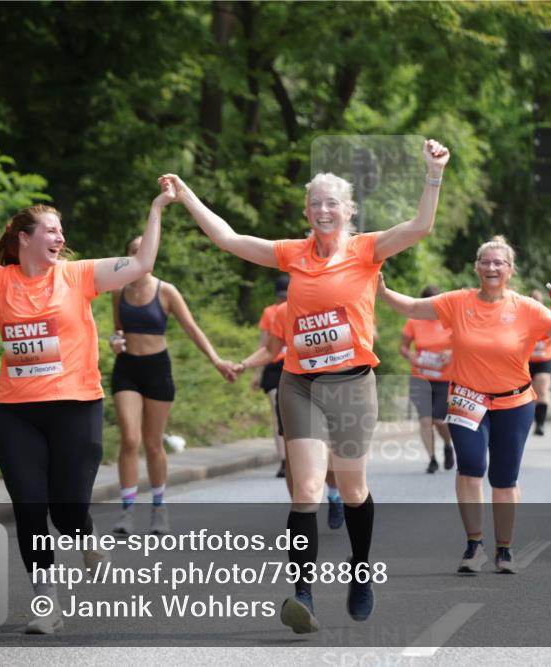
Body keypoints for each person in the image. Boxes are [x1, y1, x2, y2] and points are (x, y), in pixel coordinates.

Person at [162, 138, 451, 634]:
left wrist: (433, 172)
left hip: (353, 384)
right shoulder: (293, 254)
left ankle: (360, 572)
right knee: (308, 491)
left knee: (354, 487)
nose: (322, 210)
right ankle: (303, 593)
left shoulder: (367, 249)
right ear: (306, 211)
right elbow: (230, 239)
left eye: (332, 203)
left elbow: (421, 226)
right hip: (301, 384)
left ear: (347, 210)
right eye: (315, 203)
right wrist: (187, 196)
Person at [0, 150, 172, 635]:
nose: (60, 238)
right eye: (51, 230)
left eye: (61, 232)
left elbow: (142, 262)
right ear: (24, 239)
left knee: (68, 511)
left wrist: (156, 210)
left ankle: (85, 535)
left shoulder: (79, 275)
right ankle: (45, 601)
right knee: (29, 506)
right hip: (16, 413)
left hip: (75, 408)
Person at [378, 237, 551, 574]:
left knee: (504, 478)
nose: (492, 267)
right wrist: (381, 291)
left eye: (499, 262)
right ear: (476, 267)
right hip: (467, 398)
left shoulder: (526, 307)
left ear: (510, 271)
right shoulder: (458, 302)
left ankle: (504, 549)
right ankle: (474, 545)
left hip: (514, 402)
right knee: (470, 467)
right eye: (485, 262)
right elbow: (413, 307)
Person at [109, 236, 238, 536]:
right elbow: (117, 329)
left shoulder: (165, 291)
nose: (139, 255)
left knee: (153, 443)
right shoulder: (119, 291)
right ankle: (127, 511)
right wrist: (115, 340)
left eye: (145, 250)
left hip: (157, 370)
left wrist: (217, 360)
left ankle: (158, 508)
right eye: (133, 250)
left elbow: (191, 328)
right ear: (127, 256)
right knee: (130, 440)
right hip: (127, 370)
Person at [242, 299, 346, 530]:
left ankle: (334, 494)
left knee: (327, 452)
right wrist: (244, 364)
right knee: (293, 453)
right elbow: (270, 349)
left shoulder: (332, 303)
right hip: (293, 387)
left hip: (328, 386)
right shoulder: (282, 311)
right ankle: (300, 511)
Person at [400, 285, 455, 473]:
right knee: (425, 420)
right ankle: (432, 458)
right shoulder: (414, 321)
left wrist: (452, 352)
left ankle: (448, 446)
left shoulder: (451, 320)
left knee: (440, 421)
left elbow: (467, 344)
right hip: (420, 377)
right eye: (430, 305)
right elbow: (404, 347)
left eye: (437, 304)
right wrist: (410, 356)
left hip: (445, 377)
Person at [252, 275, 290, 479]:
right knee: (277, 410)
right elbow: (264, 344)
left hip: (292, 363)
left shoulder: (298, 308)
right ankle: (283, 459)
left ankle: (294, 456)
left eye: (286, 296)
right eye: (280, 297)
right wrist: (257, 373)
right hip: (274, 365)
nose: (282, 300)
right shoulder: (270, 312)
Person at [528, 288, 551, 436]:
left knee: (542, 388)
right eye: (532, 299)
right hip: (527, 359)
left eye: (537, 299)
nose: (535, 302)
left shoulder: (548, 315)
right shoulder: (522, 315)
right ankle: (532, 419)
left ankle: (540, 424)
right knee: (530, 393)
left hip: (545, 358)